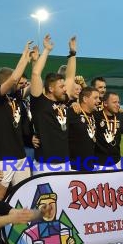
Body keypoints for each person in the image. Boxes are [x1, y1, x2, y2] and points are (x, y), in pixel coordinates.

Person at [0, 41, 34, 200]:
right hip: (3, 156)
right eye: (17, 78)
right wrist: (24, 58)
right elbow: (14, 79)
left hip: (20, 155)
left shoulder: (17, 96)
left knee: (25, 193)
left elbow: (34, 84)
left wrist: (35, 61)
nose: (20, 81)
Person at [29, 35, 72, 174]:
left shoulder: (63, 100)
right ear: (51, 89)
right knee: (46, 196)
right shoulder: (40, 102)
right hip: (45, 163)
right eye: (61, 86)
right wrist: (47, 50)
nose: (65, 89)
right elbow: (36, 73)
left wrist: (72, 53)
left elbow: (71, 77)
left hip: (65, 162)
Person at [67, 86, 100, 170]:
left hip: (89, 165)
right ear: (85, 99)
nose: (99, 101)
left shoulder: (95, 115)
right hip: (73, 167)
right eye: (95, 98)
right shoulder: (72, 113)